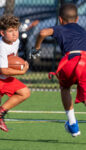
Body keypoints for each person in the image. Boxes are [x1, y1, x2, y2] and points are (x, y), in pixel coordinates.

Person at [31, 3, 86, 137]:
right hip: (84, 61)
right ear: (77, 19)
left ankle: (73, 124)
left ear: (60, 20)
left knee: (65, 88)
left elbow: (43, 32)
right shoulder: (82, 30)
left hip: (69, 61)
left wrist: (37, 48)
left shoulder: (60, 28)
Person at [0, 15, 30, 132]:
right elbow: (3, 70)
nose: (14, 34)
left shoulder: (16, 41)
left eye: (16, 30)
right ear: (2, 33)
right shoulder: (1, 46)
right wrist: (21, 71)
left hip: (2, 74)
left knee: (25, 92)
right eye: (10, 31)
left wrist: (19, 64)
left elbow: (13, 58)